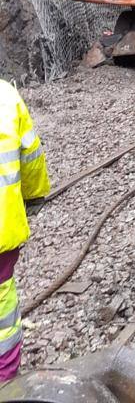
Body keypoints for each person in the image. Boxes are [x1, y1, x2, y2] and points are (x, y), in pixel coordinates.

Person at [0, 79, 50, 383]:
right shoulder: (5, 95)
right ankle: (5, 378)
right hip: (2, 229)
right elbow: (30, 154)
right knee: (3, 312)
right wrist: (34, 195)